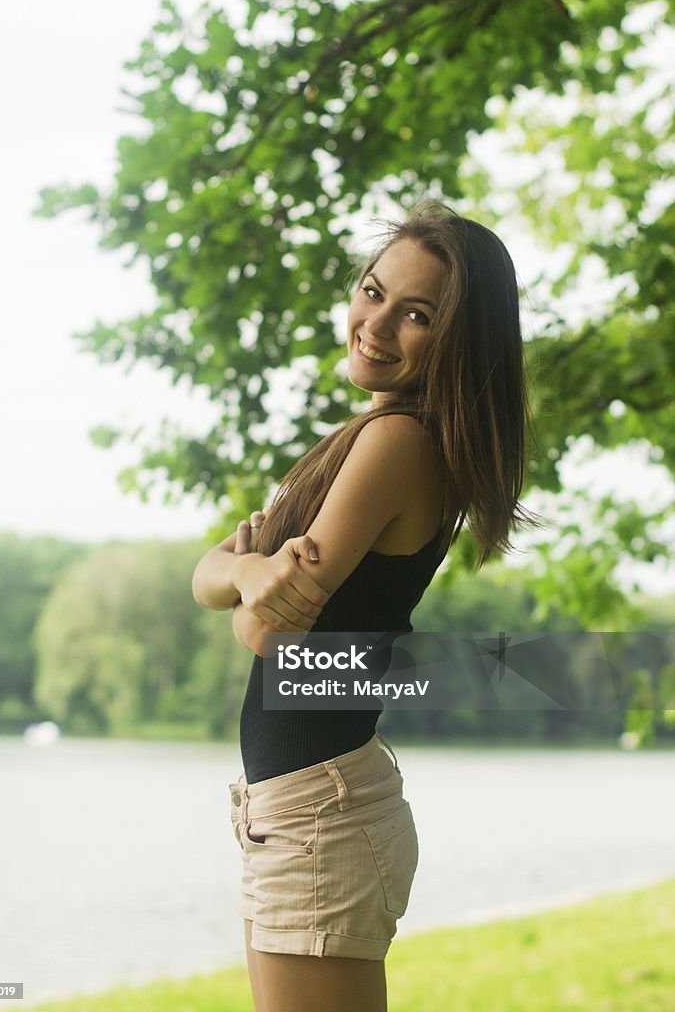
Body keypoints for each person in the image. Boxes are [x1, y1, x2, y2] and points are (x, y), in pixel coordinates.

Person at [192, 200, 533, 1012]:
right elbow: (209, 575)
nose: (375, 324)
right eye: (374, 292)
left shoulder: (399, 443)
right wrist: (246, 575)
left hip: (319, 810)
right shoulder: (378, 432)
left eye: (415, 315)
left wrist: (250, 583)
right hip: (302, 802)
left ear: (457, 342)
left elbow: (270, 633)